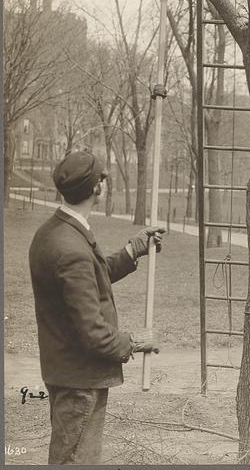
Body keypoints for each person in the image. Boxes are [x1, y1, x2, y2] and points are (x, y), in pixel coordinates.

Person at [29, 151, 166, 464]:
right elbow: (95, 334)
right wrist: (136, 341)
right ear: (96, 188)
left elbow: (90, 276)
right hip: (81, 381)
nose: (105, 182)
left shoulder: (55, 231)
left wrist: (133, 250)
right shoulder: (70, 247)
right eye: (102, 178)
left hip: (68, 374)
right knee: (74, 461)